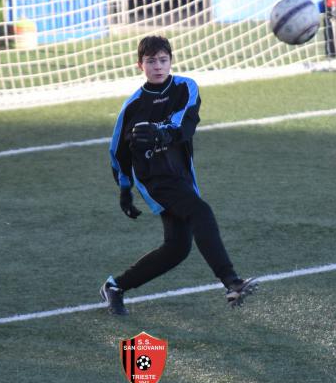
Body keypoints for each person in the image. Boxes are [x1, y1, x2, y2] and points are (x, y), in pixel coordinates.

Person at [100, 35, 257, 316]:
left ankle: (115, 286)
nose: (158, 66)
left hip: (181, 175)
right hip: (154, 178)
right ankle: (231, 282)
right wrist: (125, 190)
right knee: (201, 212)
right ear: (140, 65)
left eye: (163, 60)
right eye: (151, 61)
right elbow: (118, 150)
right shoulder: (133, 106)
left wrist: (160, 133)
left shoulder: (185, 87)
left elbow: (185, 123)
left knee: (177, 248)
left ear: (171, 61)